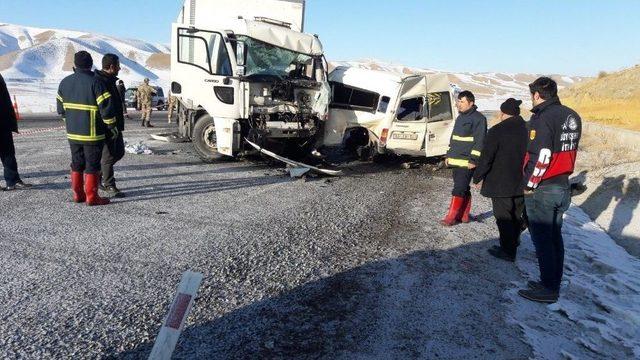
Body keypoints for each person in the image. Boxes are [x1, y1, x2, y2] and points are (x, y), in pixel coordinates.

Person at [518, 77, 582, 303]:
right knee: (555, 238)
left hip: (544, 188)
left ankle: (548, 289)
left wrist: (528, 185)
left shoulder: (542, 118)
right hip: (563, 183)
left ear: (536, 95)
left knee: (543, 239)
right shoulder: (571, 114)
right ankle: (551, 281)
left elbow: (542, 156)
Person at [56, 51, 117, 206]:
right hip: (92, 134)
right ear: (91, 64)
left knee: (76, 163)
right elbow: (106, 108)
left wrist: (71, 121)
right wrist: (111, 126)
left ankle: (78, 195)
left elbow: (61, 109)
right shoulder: (96, 82)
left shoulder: (64, 82)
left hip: (73, 134)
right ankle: (92, 197)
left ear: (75, 65)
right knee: (92, 166)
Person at [472, 98, 528, 262]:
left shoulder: (497, 130)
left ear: (503, 113)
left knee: (503, 217)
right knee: (516, 215)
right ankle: (513, 243)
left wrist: (478, 176)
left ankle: (507, 251)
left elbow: (487, 156)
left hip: (501, 181)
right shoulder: (529, 128)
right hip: (523, 180)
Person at [441, 90, 487, 226]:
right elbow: (454, 139)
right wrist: (448, 155)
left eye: (462, 101)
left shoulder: (479, 119)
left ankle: (451, 217)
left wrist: (474, 160)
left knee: (459, 188)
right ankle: (464, 216)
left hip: (467, 162)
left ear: (471, 103)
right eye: (458, 101)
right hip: (455, 159)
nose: (458, 104)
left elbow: (480, 142)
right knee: (463, 188)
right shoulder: (460, 118)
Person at [95, 54, 126, 198]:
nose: (120, 68)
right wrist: (110, 125)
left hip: (116, 125)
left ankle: (98, 175)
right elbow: (104, 107)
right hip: (106, 126)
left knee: (119, 152)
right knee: (108, 156)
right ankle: (109, 184)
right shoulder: (101, 82)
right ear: (112, 67)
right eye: (118, 65)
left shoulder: (110, 81)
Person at [0, 72, 32, 191]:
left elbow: (4, 100)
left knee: (8, 153)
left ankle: (13, 180)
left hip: (3, 122)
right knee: (8, 152)